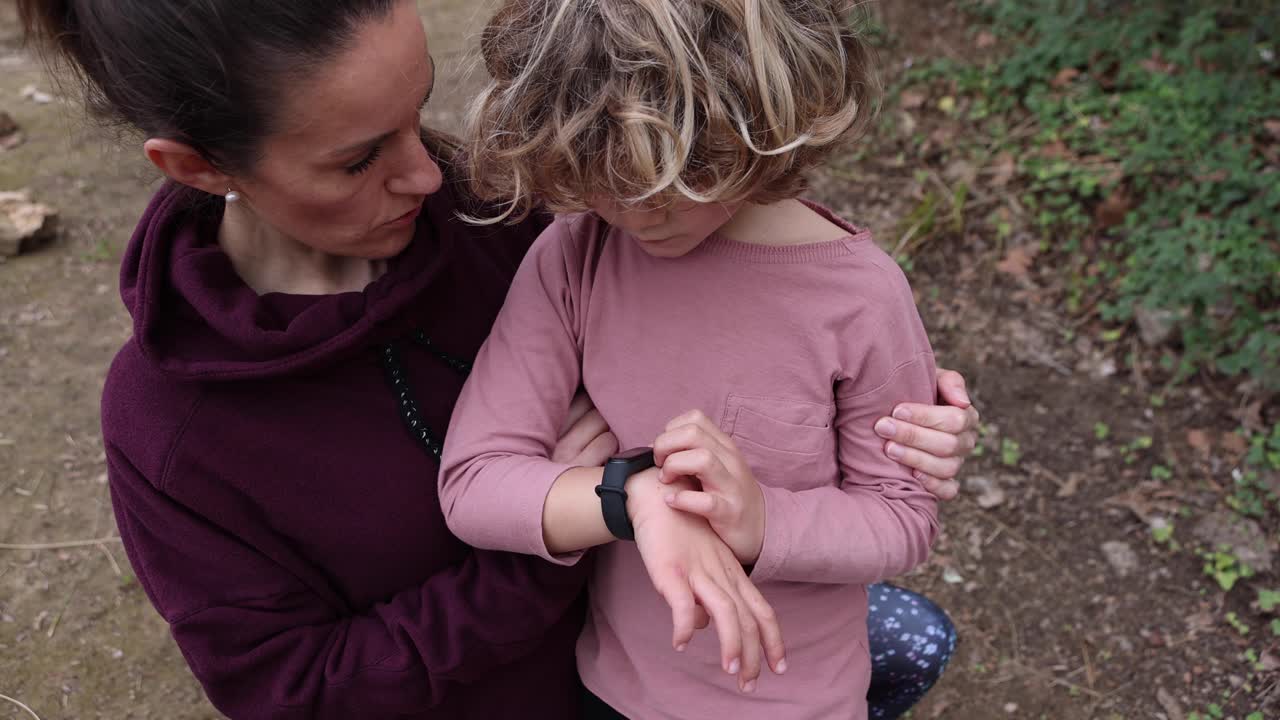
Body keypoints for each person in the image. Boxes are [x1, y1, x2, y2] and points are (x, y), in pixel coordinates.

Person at [16, 0, 978, 718]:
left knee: (910, 635)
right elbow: (294, 689)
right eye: (360, 159)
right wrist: (611, 509)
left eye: (420, 110)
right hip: (541, 689)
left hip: (721, 666)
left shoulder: (522, 207)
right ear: (199, 168)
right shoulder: (174, 430)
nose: (434, 175)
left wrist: (899, 427)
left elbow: (746, 302)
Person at [439, 2, 948, 718]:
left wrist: (761, 520)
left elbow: (900, 518)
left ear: (768, 120)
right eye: (602, 179)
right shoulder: (575, 254)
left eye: (678, 177)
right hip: (612, 691)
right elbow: (474, 480)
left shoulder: (860, 298)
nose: (637, 214)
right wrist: (633, 497)